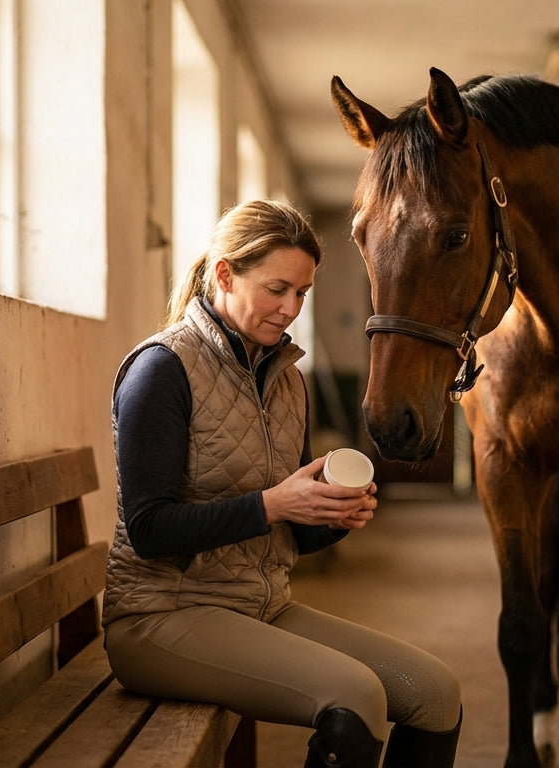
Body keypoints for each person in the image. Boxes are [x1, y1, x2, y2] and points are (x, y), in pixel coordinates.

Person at [102, 199, 462, 768]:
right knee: (355, 696)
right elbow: (148, 530)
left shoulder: (288, 379)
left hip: (260, 605)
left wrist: (333, 517)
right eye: (277, 289)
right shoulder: (160, 370)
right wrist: (273, 504)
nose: (291, 308)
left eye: (302, 293)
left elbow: (292, 534)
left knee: (436, 693)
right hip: (161, 618)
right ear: (224, 274)